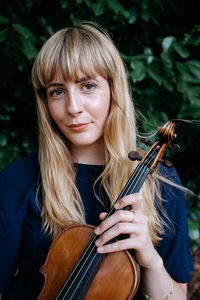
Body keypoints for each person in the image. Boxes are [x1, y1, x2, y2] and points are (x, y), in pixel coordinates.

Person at [0, 22, 193, 300]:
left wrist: (149, 259)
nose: (73, 107)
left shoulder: (160, 184)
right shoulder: (17, 180)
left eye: (87, 86)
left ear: (114, 90)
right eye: (57, 91)